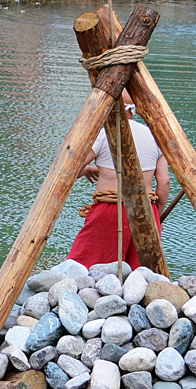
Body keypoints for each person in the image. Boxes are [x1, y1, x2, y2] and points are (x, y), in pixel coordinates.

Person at [66, 96, 169, 269]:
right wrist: (156, 217)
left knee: (82, 270)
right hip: (145, 211)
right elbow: (164, 183)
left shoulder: (102, 134)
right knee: (142, 276)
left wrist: (87, 169)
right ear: (133, 108)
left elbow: (69, 171)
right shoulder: (154, 136)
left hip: (108, 212)